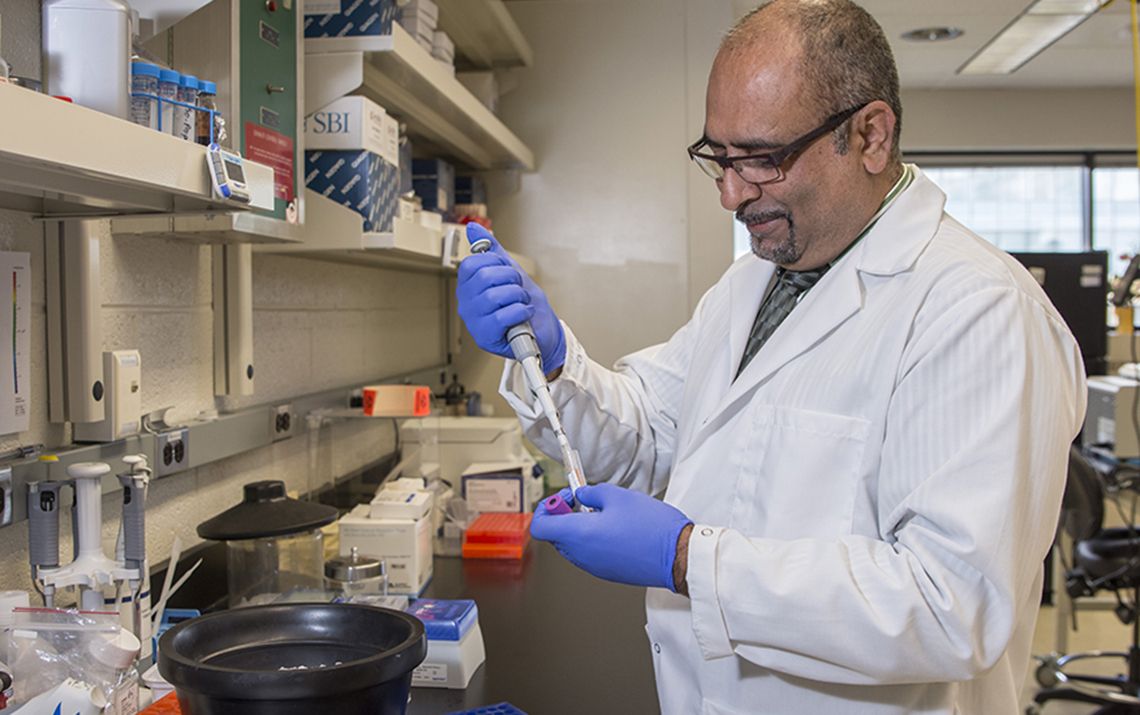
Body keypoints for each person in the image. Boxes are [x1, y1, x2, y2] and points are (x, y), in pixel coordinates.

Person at [455, 1, 1088, 712]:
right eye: (718, 158)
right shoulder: (755, 281)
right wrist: (553, 356)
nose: (731, 193)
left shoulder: (979, 310)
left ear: (871, 134)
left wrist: (689, 558)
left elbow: (951, 604)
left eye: (762, 158)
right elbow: (652, 433)